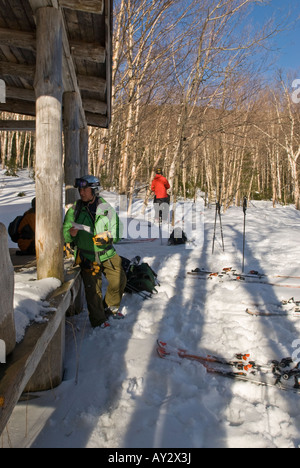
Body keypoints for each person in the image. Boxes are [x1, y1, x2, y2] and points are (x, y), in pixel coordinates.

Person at [63, 175, 127, 329]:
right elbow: (65, 232)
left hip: (107, 253)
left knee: (120, 280)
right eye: (80, 189)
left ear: (94, 190)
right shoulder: (74, 210)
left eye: (85, 189)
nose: (82, 192)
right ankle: (98, 320)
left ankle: (110, 307)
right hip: (87, 256)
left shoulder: (106, 208)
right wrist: (70, 234)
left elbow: (118, 229)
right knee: (93, 291)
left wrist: (109, 238)